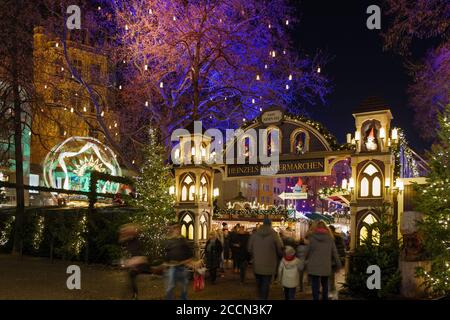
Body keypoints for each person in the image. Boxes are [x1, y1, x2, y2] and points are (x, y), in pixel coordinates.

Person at [304, 220, 342, 300]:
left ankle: (316, 298)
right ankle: (325, 298)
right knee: (325, 284)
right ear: (326, 228)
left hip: (314, 265)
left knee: (315, 284)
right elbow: (334, 252)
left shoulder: (311, 238)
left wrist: (304, 260)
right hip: (325, 265)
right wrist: (338, 264)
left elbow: (307, 251)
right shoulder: (330, 238)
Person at [248, 218, 283, 300]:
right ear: (270, 224)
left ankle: (260, 295)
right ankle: (263, 298)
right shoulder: (274, 234)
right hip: (269, 263)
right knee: (266, 283)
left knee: (259, 282)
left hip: (257, 263)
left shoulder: (255, 234)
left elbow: (249, 248)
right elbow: (279, 248)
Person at [163, 224, 194, 300]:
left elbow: (189, 252)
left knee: (184, 286)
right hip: (172, 266)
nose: (176, 231)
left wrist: (189, 261)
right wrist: (165, 263)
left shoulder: (182, 240)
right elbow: (166, 252)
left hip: (182, 266)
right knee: (170, 287)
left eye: (177, 229)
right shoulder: (169, 240)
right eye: (174, 229)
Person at [118, 223, 148, 300]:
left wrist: (131, 228)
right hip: (133, 261)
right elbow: (121, 240)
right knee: (131, 277)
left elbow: (139, 229)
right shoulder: (127, 240)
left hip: (138, 260)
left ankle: (134, 294)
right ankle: (133, 294)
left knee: (132, 276)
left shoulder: (136, 239)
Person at [329, 225, 346, 297]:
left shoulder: (331, 237)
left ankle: (331, 290)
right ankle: (331, 289)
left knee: (330, 276)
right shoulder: (338, 237)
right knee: (331, 276)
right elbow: (342, 248)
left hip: (331, 259)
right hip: (334, 259)